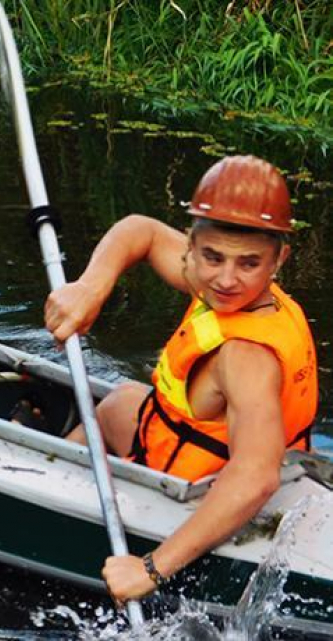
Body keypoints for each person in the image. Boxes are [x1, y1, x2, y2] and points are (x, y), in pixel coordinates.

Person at [43, 155, 317, 605]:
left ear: (279, 259)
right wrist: (92, 286)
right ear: (192, 246)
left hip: (200, 493)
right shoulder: (222, 285)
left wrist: (149, 569)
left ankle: (53, 488)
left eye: (249, 263)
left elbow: (256, 478)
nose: (227, 279)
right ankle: (60, 466)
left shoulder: (248, 358)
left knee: (116, 406)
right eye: (212, 257)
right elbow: (141, 231)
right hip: (173, 440)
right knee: (122, 400)